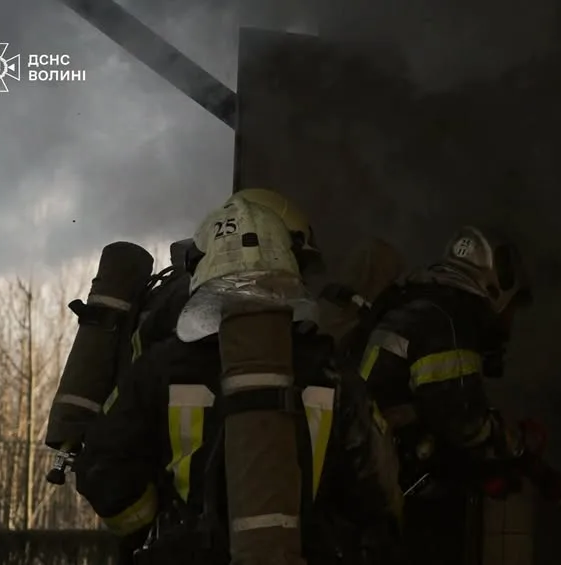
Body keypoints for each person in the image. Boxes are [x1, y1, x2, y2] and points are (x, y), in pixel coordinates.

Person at [73, 189, 405, 565]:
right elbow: (378, 491)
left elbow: (101, 468)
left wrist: (155, 529)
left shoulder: (159, 367)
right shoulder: (332, 371)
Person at [341, 226, 535, 565]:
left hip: (364, 480)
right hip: (390, 490)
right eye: (512, 309)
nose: (510, 322)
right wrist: (518, 445)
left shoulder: (418, 305)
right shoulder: (448, 321)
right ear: (495, 288)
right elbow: (464, 421)